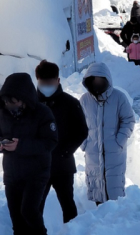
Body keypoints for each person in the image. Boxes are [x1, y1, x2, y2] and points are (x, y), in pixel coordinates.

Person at [0, 73, 58, 235]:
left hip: (36, 173)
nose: (10, 106)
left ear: (24, 98)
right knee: (16, 219)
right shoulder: (3, 113)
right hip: (12, 174)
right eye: (6, 102)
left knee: (29, 212)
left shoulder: (42, 113)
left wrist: (21, 146)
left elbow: (50, 142)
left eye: (14, 102)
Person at [35, 60, 88, 223]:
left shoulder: (71, 103)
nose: (47, 87)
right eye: (43, 83)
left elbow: (82, 131)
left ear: (58, 81)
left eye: (50, 83)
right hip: (38, 166)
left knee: (68, 206)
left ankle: (72, 232)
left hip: (63, 165)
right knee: (35, 207)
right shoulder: (31, 104)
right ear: (37, 81)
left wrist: (66, 151)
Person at [80, 63, 135, 205]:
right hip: (93, 154)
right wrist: (85, 143)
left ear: (107, 80)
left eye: (101, 79)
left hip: (114, 154)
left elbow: (128, 120)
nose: (97, 83)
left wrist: (119, 141)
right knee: (97, 189)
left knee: (115, 191)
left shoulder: (119, 97)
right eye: (94, 80)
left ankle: (116, 221)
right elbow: (78, 124)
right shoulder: (85, 100)